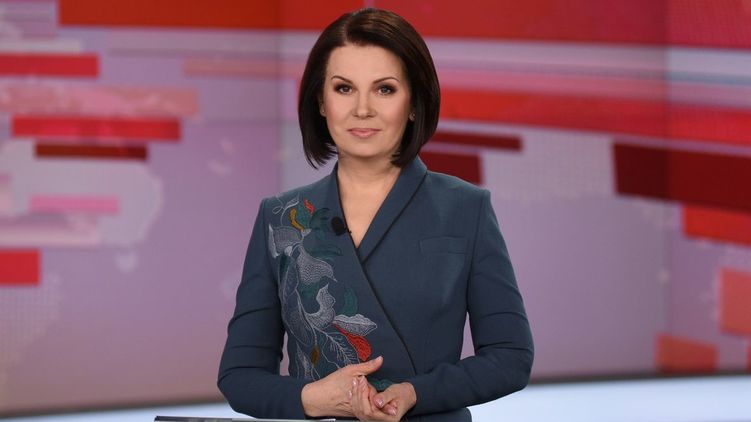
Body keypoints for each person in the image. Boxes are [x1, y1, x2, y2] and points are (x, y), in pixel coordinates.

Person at [218, 8, 533, 422]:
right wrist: (316, 399)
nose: (362, 108)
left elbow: (511, 357)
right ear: (321, 102)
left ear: (414, 103)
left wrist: (415, 393)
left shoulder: (465, 208)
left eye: (384, 89)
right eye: (344, 88)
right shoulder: (281, 217)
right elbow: (240, 376)